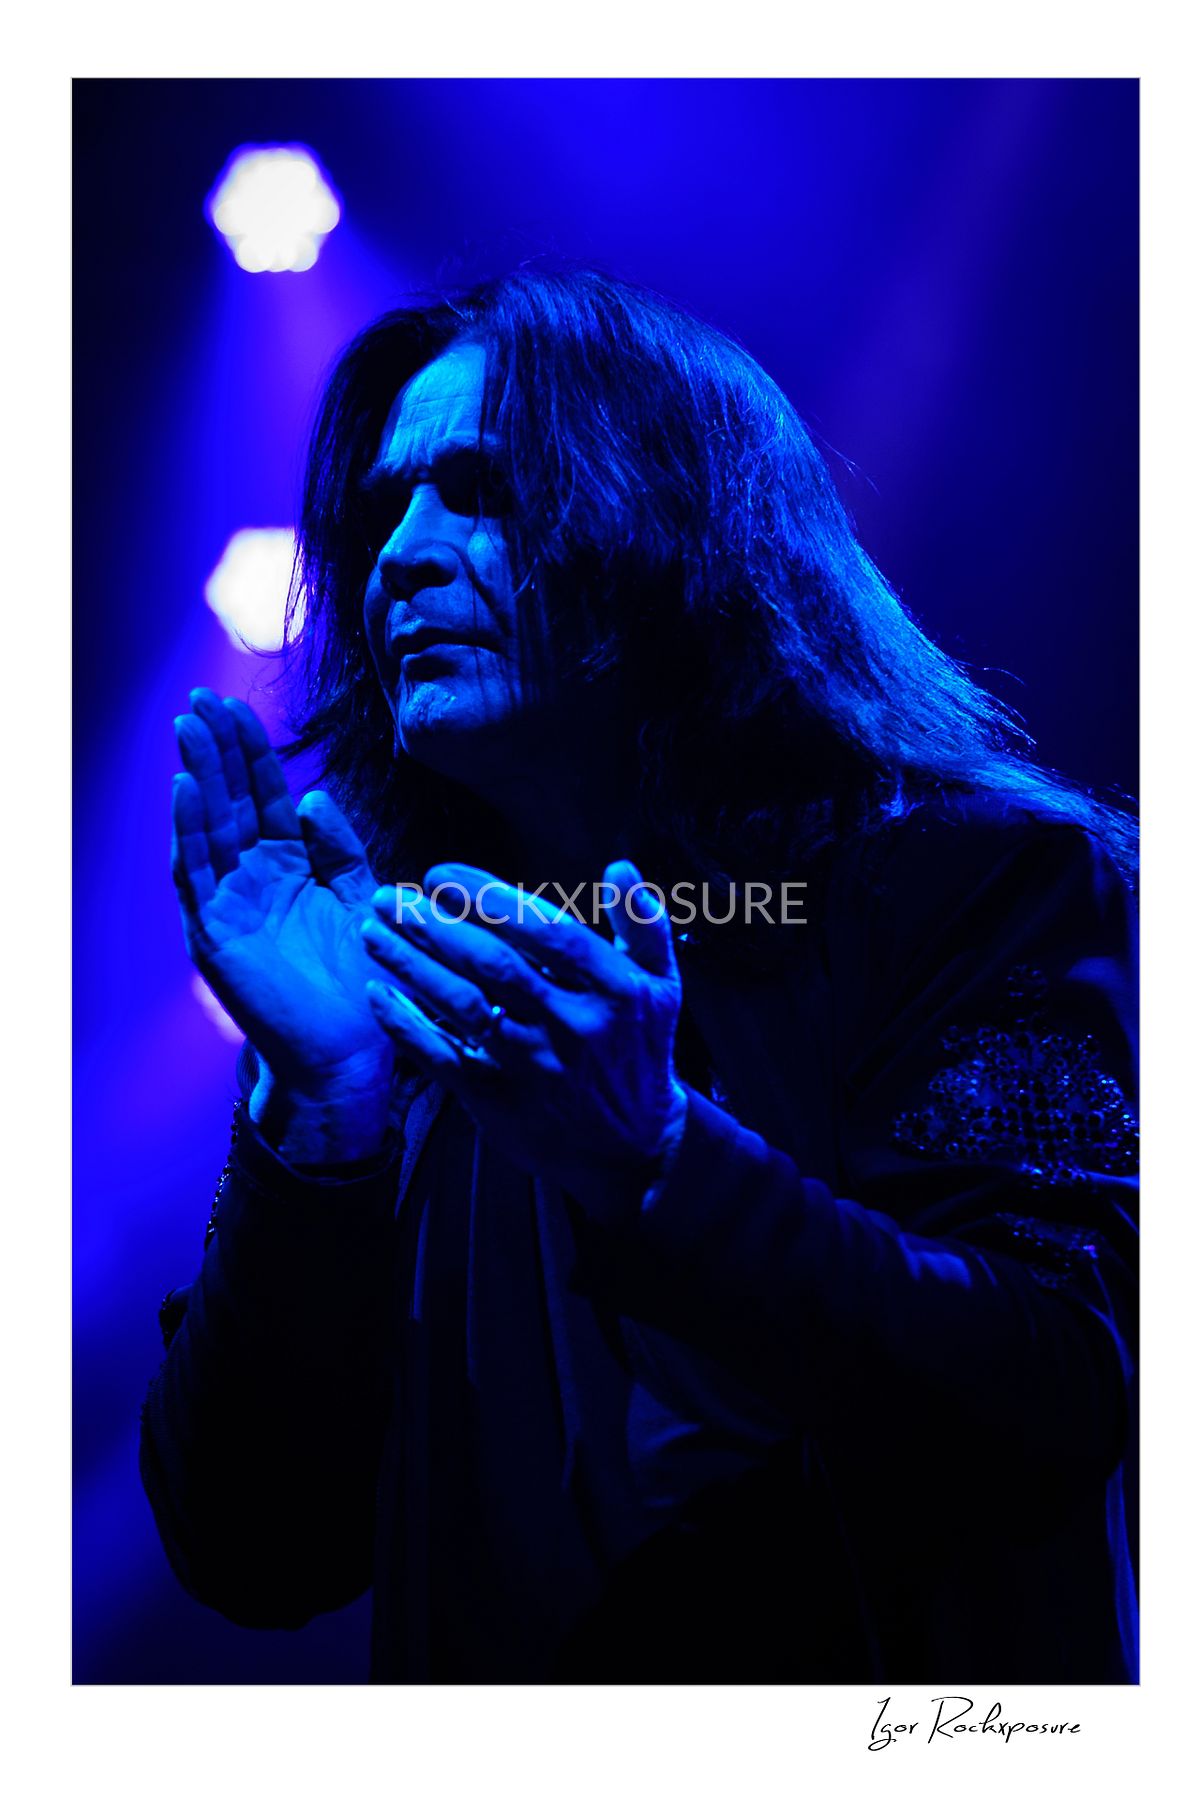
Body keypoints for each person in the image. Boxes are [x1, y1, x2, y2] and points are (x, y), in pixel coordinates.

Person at [141, 268, 1139, 1683]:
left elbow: (1054, 1386)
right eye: (380, 511)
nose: (397, 560)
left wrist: (656, 1163)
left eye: (479, 490)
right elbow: (253, 1550)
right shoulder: (409, 974)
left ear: (667, 518)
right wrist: (323, 1109)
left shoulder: (981, 878)